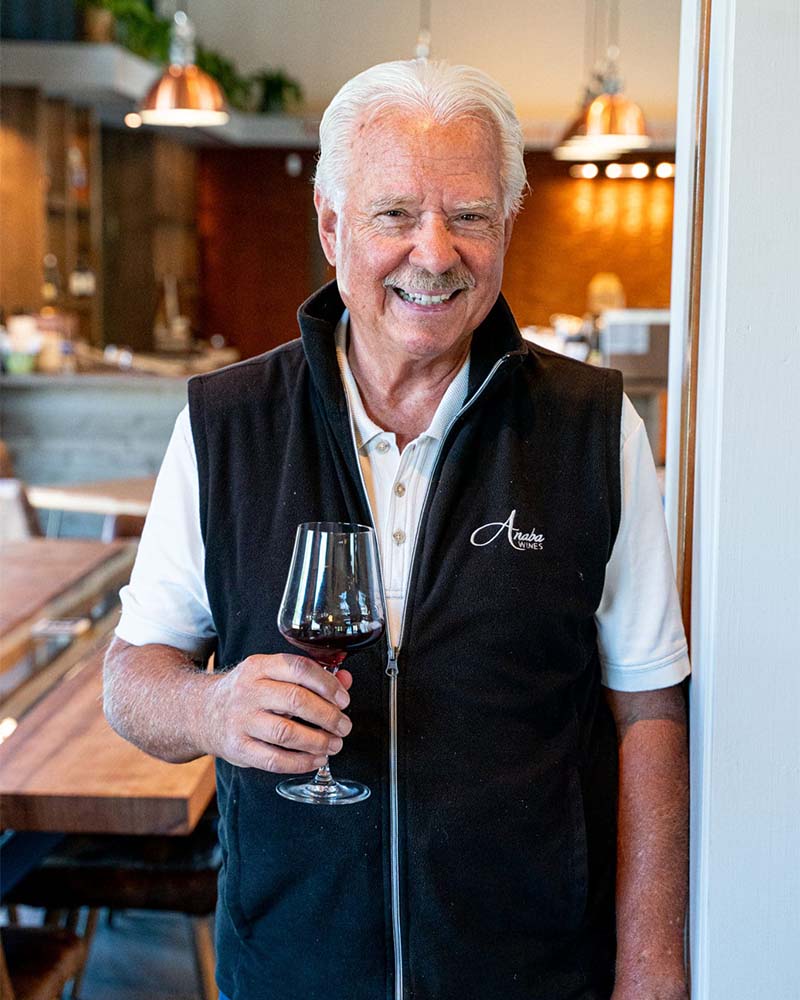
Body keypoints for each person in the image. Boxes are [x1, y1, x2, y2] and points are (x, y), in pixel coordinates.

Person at [105, 60, 690, 1000]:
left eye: (469, 216)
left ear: (505, 228)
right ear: (332, 227)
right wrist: (211, 710)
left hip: (534, 972)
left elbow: (651, 709)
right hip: (294, 966)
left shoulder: (591, 426)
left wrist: (653, 973)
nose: (436, 252)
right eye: (394, 215)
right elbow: (134, 679)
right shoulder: (227, 425)